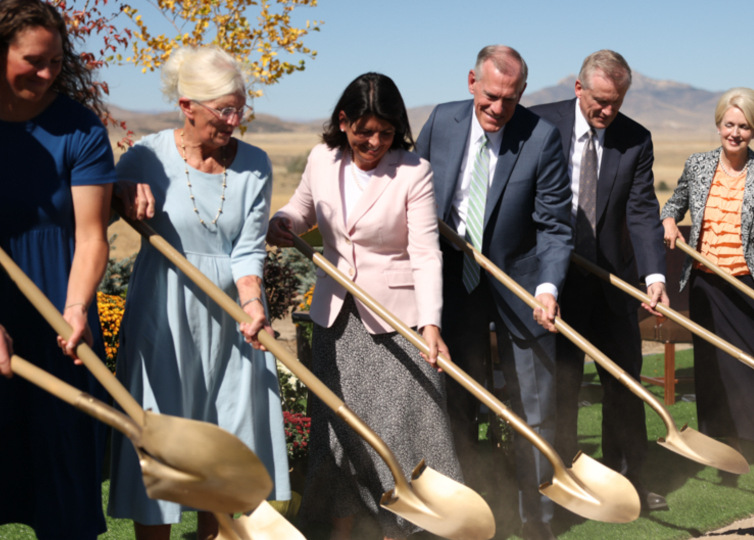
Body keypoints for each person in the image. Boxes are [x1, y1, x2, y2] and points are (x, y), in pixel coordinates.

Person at [267, 72, 462, 540]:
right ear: (343, 121)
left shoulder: (414, 171)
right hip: (336, 319)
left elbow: (425, 252)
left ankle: (411, 529)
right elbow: (302, 207)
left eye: (386, 132)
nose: (374, 141)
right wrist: (283, 220)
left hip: (398, 319)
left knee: (404, 427)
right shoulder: (321, 159)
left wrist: (431, 324)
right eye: (364, 130)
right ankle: (341, 529)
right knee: (337, 431)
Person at [107, 46, 290, 539]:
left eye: (240, 108)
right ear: (187, 106)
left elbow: (248, 250)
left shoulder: (255, 164)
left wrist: (253, 305)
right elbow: (97, 216)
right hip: (163, 314)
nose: (234, 120)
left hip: (233, 318)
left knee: (225, 444)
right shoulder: (147, 156)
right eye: (224, 110)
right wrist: (118, 194)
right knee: (164, 443)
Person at [416, 45, 573, 540]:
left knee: (534, 404)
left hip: (518, 288)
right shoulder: (442, 122)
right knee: (455, 404)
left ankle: (538, 520)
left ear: (522, 93)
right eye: (489, 96)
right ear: (471, 82)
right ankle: (467, 515)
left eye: (509, 98)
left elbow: (554, 225)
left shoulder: (542, 136)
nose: (498, 108)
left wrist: (547, 288)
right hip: (450, 284)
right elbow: (411, 189)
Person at [0, 0, 116, 537]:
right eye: (34, 60)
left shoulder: (78, 127)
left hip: (61, 316)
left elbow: (91, 235)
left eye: (56, 61)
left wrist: (77, 306)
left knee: (63, 486)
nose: (47, 72)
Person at [530, 50, 670, 513]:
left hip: (612, 285)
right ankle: (566, 480)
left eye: (617, 101)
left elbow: (642, 211)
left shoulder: (635, 139)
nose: (607, 111)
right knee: (561, 388)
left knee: (624, 386)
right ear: (579, 88)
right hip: (554, 287)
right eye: (600, 101)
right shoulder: (537, 124)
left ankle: (631, 480)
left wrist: (652, 275)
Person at [661, 88, 754, 491]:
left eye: (744, 126)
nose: (735, 133)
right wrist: (670, 220)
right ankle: (730, 455)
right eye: (729, 124)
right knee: (717, 373)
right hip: (708, 287)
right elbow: (674, 204)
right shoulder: (698, 165)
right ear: (719, 123)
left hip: (753, 287)